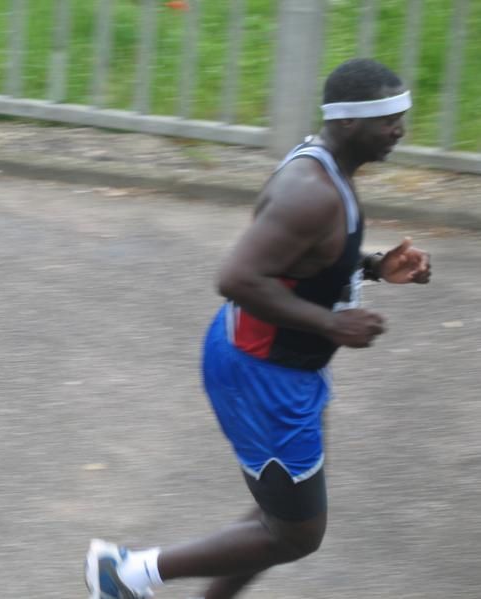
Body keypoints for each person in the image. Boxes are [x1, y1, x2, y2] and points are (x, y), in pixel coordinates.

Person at [85, 58, 431, 599]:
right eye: (387, 119)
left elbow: (307, 260)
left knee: (284, 512)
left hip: (277, 368)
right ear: (347, 123)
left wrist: (374, 266)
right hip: (263, 376)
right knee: (295, 533)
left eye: (401, 117)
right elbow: (238, 277)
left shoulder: (327, 173)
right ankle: (126, 573)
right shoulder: (311, 193)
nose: (399, 131)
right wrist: (332, 324)